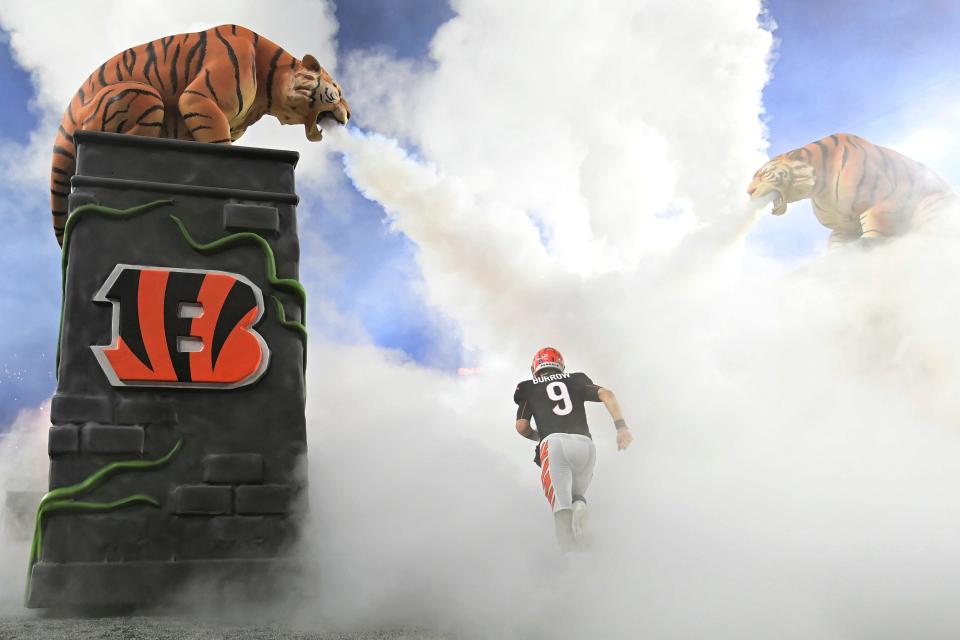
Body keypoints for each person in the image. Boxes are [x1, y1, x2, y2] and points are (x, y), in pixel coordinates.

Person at [513, 347, 632, 551]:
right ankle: (581, 510)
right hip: (585, 446)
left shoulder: (528, 387)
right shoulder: (575, 379)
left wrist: (539, 438)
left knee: (561, 508)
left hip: (555, 445)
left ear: (535, 369)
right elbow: (607, 393)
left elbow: (522, 426)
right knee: (576, 496)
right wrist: (621, 427)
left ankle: (571, 562)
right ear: (560, 366)